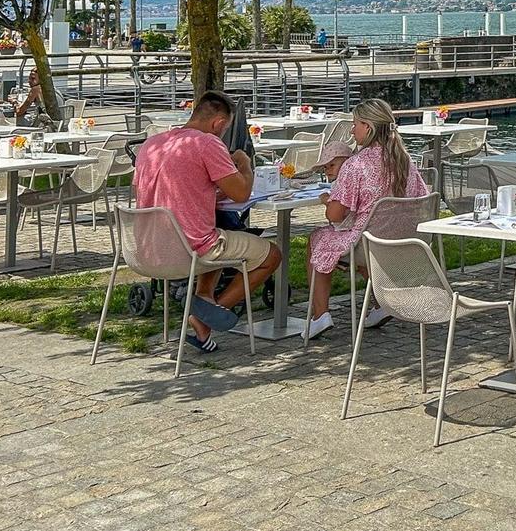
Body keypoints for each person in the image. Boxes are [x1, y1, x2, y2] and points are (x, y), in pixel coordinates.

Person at [133, 90, 282, 354]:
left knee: (217, 228)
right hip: (189, 250)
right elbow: (241, 193)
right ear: (219, 124)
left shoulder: (152, 144)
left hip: (145, 249)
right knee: (272, 254)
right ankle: (207, 316)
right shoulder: (207, 144)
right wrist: (245, 165)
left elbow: (167, 191)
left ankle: (204, 298)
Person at [303, 98, 430, 340]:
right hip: (407, 240)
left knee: (318, 239)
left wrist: (327, 200)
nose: (352, 130)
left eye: (355, 124)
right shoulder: (405, 160)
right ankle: (382, 303)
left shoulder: (357, 165)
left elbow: (335, 215)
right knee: (362, 235)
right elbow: (420, 198)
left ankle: (320, 315)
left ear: (368, 127)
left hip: (369, 243)